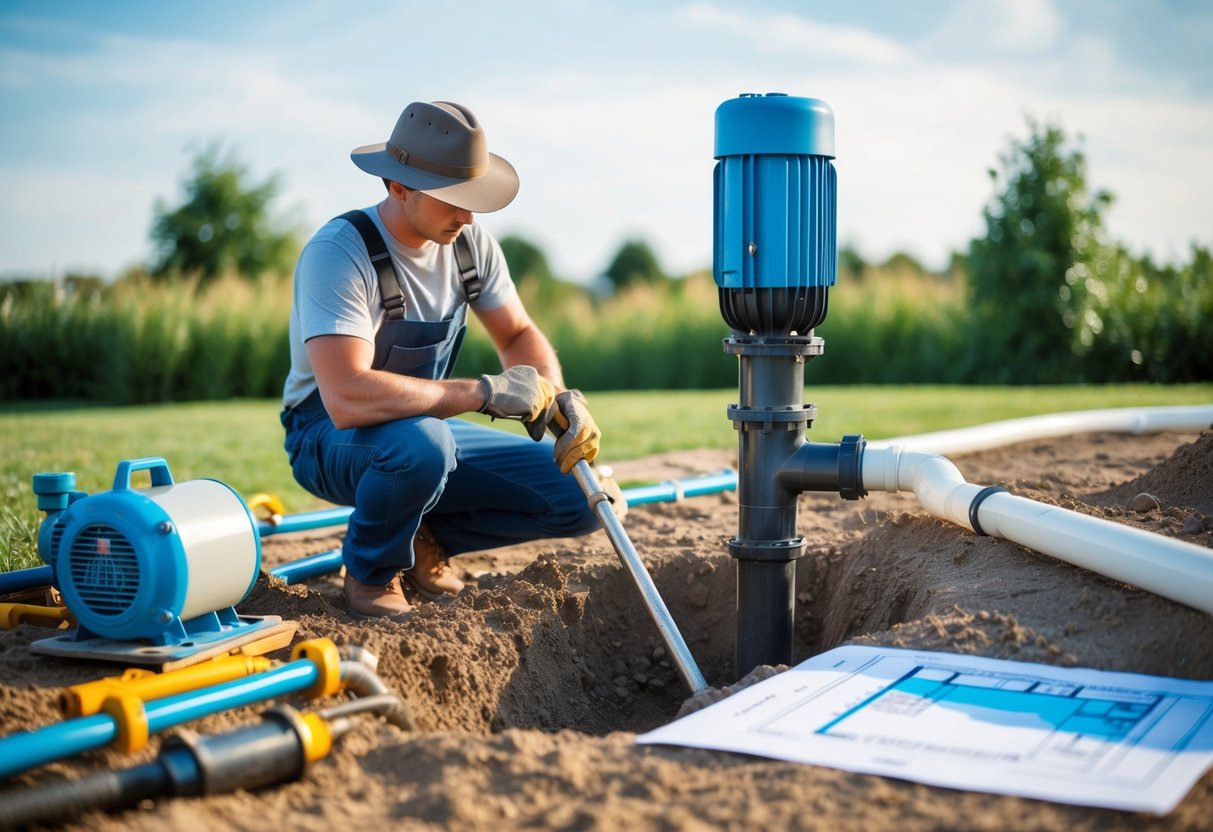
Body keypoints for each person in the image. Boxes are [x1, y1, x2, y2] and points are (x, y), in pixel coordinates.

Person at [280, 100, 602, 618]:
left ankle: (419, 537)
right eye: (453, 198)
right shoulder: (341, 252)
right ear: (398, 186)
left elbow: (517, 331)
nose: (468, 215)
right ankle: (372, 573)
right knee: (421, 446)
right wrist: (483, 393)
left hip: (423, 428)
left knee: (580, 493)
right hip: (325, 434)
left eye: (473, 196)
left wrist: (556, 394)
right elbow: (346, 397)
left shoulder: (470, 246)